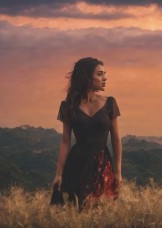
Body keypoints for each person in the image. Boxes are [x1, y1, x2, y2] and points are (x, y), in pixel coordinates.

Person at [50, 57, 122, 210]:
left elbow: (116, 140)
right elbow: (65, 141)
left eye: (104, 74)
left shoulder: (109, 103)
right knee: (75, 211)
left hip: (103, 165)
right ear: (87, 77)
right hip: (77, 164)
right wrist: (59, 174)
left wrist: (118, 172)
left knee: (102, 211)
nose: (105, 78)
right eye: (100, 74)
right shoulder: (68, 106)